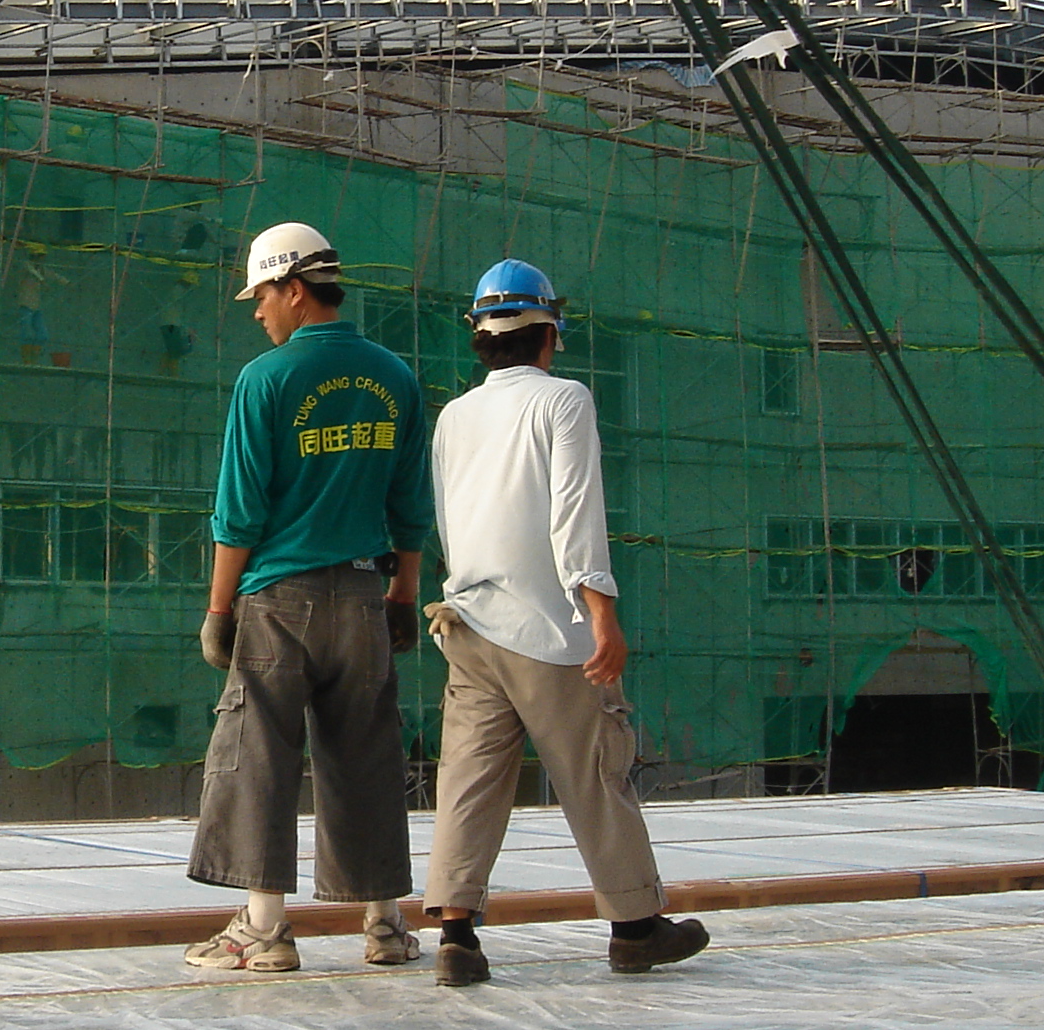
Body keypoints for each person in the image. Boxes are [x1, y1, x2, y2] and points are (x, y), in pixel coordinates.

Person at [420, 260, 707, 986]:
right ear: (549, 332)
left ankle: (456, 934)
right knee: (594, 774)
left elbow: (450, 522)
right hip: (549, 629)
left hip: (468, 624)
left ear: (480, 338)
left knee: (469, 779)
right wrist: (602, 611)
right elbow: (574, 511)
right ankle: (636, 927)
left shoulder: (455, 416)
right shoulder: (565, 401)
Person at [184, 222, 432, 971]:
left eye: (262, 295)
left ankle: (263, 931)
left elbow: (240, 510)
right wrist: (403, 592)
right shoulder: (395, 375)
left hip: (278, 600)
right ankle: (385, 925)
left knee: (257, 758)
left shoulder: (266, 379)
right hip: (363, 592)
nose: (258, 312)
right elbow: (410, 497)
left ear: (293, 289)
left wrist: (219, 609)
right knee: (366, 757)